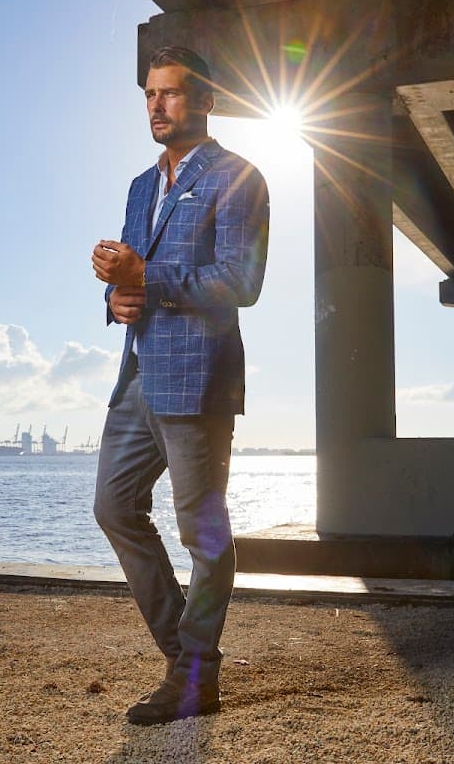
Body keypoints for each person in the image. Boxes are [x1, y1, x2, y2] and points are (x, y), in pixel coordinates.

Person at [90, 45, 269, 726]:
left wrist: (144, 282)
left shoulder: (239, 177)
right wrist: (114, 298)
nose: (156, 107)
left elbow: (240, 282)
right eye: (148, 95)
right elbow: (131, 279)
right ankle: (186, 659)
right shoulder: (141, 185)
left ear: (204, 101)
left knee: (203, 533)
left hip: (199, 379)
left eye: (169, 94)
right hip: (137, 376)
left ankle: (195, 673)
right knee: (114, 507)